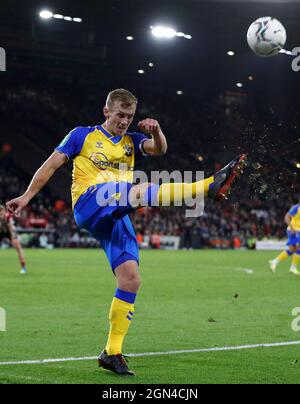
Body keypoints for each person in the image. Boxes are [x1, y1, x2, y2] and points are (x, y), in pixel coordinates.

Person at [6, 89, 246, 376]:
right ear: (106, 111)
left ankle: (112, 352)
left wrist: (156, 132)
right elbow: (51, 164)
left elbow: (160, 150)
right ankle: (207, 185)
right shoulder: (81, 135)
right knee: (140, 190)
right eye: (120, 115)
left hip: (117, 211)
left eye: (130, 117)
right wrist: (26, 196)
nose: (124, 122)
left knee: (131, 279)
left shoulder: (132, 141)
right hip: (90, 201)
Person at [269, 201, 300, 275]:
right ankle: (292, 268)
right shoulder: (296, 207)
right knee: (298, 249)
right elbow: (286, 217)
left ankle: (275, 261)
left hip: (298, 230)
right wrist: (292, 228)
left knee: (293, 249)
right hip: (294, 230)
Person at [0, 205, 27, 274]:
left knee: (18, 247)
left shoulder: (8, 217)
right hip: (2, 231)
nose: (0, 213)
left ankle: (23, 268)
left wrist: (12, 239)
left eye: (1, 211)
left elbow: (10, 228)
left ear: (4, 211)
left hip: (10, 232)